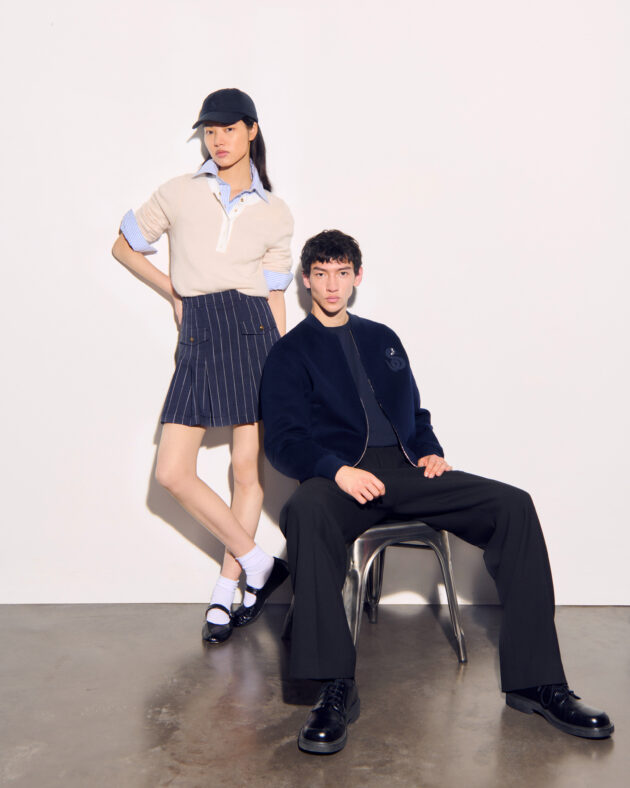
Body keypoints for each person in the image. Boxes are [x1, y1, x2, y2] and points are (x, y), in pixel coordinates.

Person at [260, 229, 614, 754]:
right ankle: (333, 688)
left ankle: (537, 683)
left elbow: (415, 411)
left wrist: (429, 451)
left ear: (358, 277)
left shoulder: (383, 338)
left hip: (406, 469)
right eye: (321, 274)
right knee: (304, 510)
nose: (332, 285)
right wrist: (336, 471)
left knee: (513, 505)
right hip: (343, 477)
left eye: (342, 273)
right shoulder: (289, 353)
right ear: (306, 281)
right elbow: (284, 442)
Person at [112, 88, 290, 645]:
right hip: (200, 331)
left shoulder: (275, 212)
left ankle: (226, 589)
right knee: (172, 472)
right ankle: (260, 564)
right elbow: (124, 246)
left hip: (254, 332)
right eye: (209, 131)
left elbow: (275, 295)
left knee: (246, 470)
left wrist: (285, 364)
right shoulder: (178, 192)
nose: (218, 140)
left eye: (228, 129)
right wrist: (175, 292)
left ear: (251, 130)